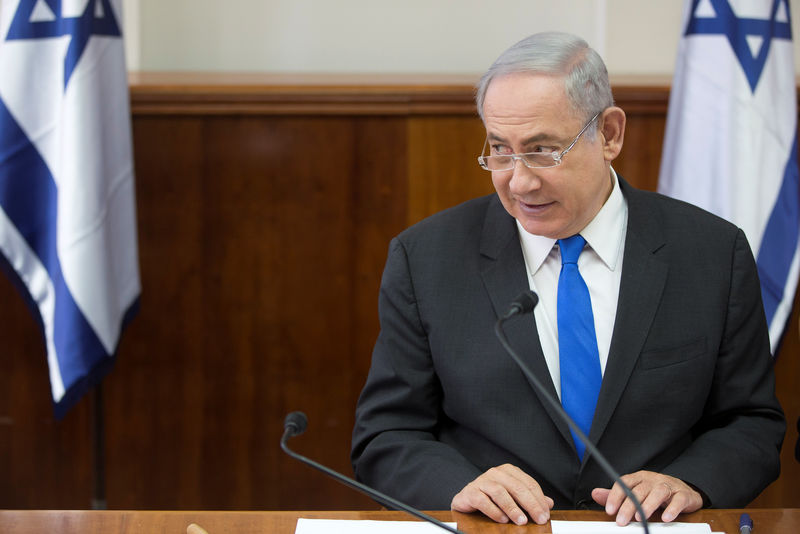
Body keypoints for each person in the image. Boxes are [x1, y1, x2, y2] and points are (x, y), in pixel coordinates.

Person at [351, 32, 785, 527]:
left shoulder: (711, 252)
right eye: (500, 150)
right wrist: (459, 485)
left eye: (542, 150)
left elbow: (750, 423)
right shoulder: (426, 258)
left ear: (610, 134)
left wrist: (690, 481)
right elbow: (385, 434)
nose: (519, 181)